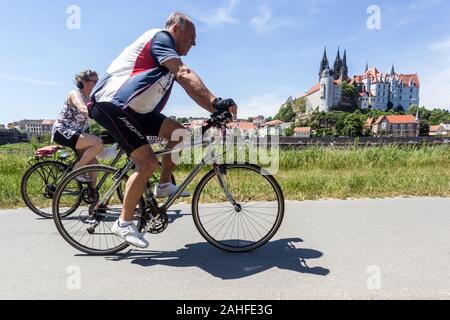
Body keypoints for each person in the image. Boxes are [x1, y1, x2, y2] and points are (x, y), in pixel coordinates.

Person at [90, 12, 238, 248]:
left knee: (179, 133)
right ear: (176, 30)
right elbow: (184, 74)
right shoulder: (159, 39)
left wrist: (213, 108)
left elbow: (187, 85)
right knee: (147, 163)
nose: (194, 43)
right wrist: (217, 101)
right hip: (113, 104)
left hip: (136, 111)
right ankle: (124, 222)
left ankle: (163, 185)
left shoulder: (168, 57)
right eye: (191, 37)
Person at [52, 69, 104, 183]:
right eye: (94, 81)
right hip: (63, 131)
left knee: (94, 164)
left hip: (77, 133)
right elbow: (82, 108)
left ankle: (92, 196)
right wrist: (97, 115)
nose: (97, 84)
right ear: (84, 82)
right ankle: (76, 170)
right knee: (98, 143)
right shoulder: (75, 94)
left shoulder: (91, 98)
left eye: (98, 81)